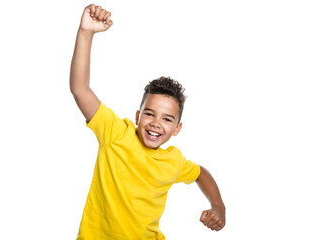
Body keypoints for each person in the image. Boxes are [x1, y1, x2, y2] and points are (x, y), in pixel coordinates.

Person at [70, 4, 226, 240]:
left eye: (167, 119)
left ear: (177, 129)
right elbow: (80, 89)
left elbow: (200, 173)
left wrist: (218, 206)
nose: (155, 123)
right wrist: (86, 32)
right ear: (137, 116)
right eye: (150, 114)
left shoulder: (173, 161)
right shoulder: (116, 134)